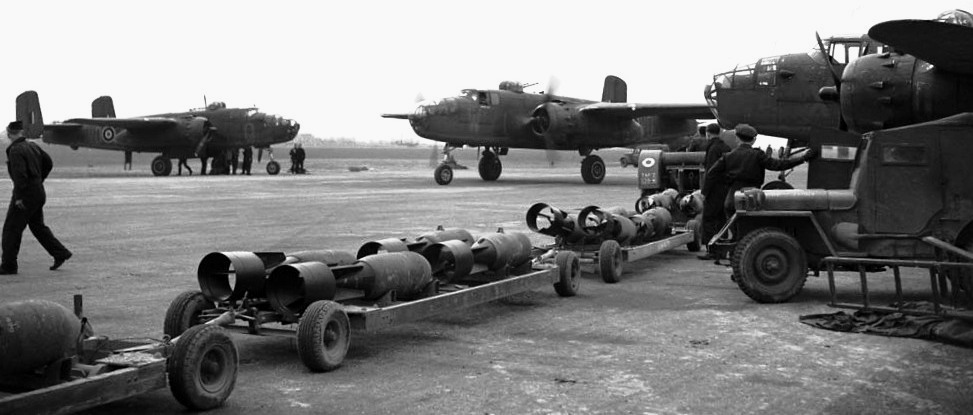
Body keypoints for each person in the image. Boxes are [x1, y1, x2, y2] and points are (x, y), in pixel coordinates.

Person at [705, 123, 818, 219]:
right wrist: (803, 158)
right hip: (752, 198)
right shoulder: (758, 155)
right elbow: (779, 165)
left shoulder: (728, 156)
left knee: (734, 231)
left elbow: (711, 173)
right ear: (753, 140)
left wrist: (726, 182)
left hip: (732, 198)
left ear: (737, 138)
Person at [1, 121, 72, 274]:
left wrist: (19, 197)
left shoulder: (15, 150)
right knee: (37, 226)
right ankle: (60, 253)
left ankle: (9, 265)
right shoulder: (32, 146)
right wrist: (39, 180)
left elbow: (20, 175)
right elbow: (48, 163)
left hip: (25, 195)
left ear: (9, 134)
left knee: (11, 229)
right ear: (21, 132)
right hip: (37, 192)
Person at [697, 123, 732, 260]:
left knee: (709, 219)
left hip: (714, 190)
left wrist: (704, 192)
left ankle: (712, 250)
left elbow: (711, 172)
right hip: (725, 189)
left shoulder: (712, 149)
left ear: (708, 133)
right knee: (722, 220)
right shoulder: (726, 147)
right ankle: (722, 250)